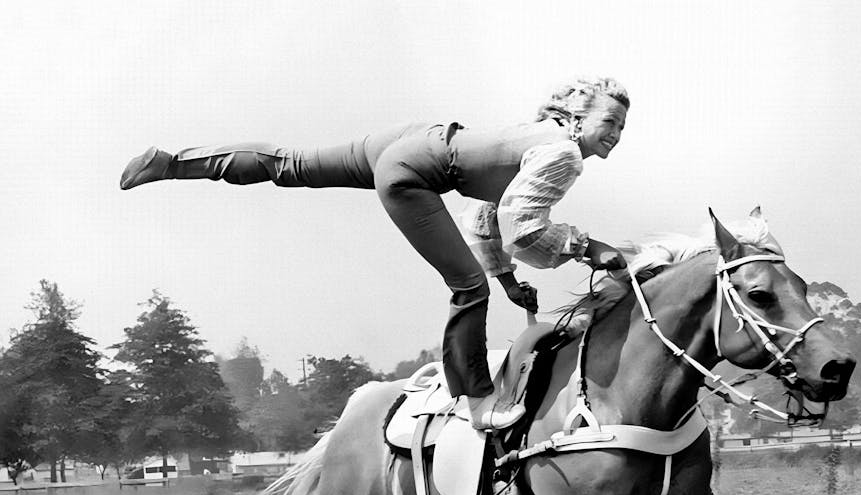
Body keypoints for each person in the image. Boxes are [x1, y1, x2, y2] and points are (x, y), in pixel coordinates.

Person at [120, 76, 629, 429]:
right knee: (466, 286)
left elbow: (488, 214)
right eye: (609, 122)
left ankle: (171, 162)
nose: (615, 136)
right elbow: (522, 227)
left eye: (623, 129)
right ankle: (476, 399)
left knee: (289, 164)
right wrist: (589, 248)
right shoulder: (563, 154)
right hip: (413, 172)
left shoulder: (537, 136)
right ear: (580, 117)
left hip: (411, 138)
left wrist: (508, 280)